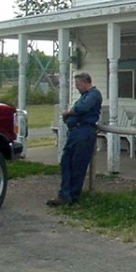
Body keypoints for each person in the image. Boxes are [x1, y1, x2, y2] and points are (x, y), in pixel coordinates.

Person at [47, 72, 103, 206]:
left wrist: (68, 113)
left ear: (85, 82)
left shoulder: (94, 94)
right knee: (66, 162)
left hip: (84, 132)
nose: (77, 87)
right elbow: (76, 110)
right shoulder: (83, 96)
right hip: (75, 132)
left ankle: (72, 195)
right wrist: (70, 117)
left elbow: (82, 109)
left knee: (78, 165)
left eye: (78, 84)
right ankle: (64, 194)